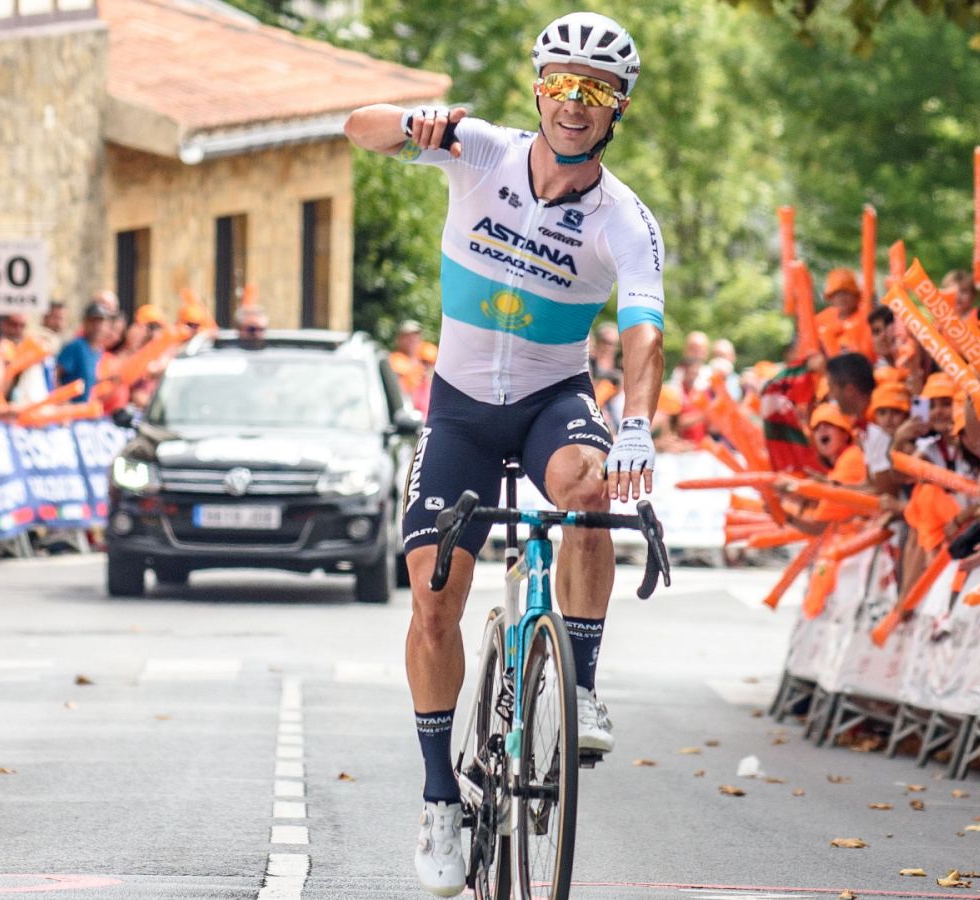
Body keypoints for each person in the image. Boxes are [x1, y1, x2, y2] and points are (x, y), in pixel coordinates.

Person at [345, 12, 665, 894]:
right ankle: (441, 798)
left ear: (617, 110)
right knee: (433, 600)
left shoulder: (625, 219)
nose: (575, 102)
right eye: (562, 83)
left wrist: (636, 426)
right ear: (538, 90)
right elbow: (356, 129)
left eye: (596, 91)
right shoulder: (479, 152)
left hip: (550, 401)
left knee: (588, 487)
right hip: (456, 411)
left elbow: (643, 336)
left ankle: (585, 683)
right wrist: (416, 122)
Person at [57, 299, 116, 402]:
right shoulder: (76, 346)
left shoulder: (99, 351)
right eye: (93, 321)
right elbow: (55, 375)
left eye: (101, 322)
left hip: (87, 412)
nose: (97, 327)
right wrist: (62, 402)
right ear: (85, 322)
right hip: (70, 411)